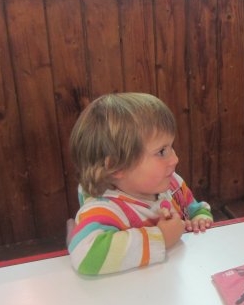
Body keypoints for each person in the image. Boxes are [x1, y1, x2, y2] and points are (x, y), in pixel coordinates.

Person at [67, 92, 213, 276]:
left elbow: (193, 208)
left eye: (171, 147)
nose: (175, 159)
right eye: (161, 152)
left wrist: (200, 218)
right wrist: (161, 238)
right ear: (117, 166)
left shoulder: (171, 183)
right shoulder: (106, 209)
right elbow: (85, 255)